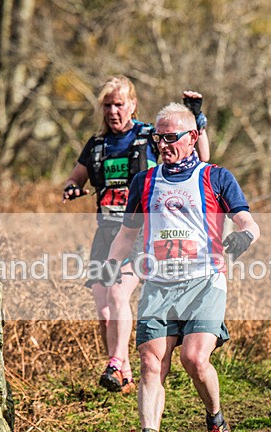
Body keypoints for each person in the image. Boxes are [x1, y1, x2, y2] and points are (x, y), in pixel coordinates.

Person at [96, 102, 259, 432]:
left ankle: (217, 424)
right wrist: (109, 265)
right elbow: (127, 233)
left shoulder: (216, 177)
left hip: (205, 281)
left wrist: (245, 237)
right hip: (159, 284)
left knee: (194, 358)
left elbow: (248, 222)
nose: (164, 145)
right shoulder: (145, 181)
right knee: (151, 361)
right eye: (159, 138)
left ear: (193, 138)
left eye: (172, 138)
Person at [62, 75, 210, 395]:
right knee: (104, 312)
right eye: (107, 105)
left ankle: (116, 362)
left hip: (139, 232)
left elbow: (199, 153)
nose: (113, 111)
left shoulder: (148, 136)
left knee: (118, 294)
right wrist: (73, 188)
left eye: (119, 104)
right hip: (105, 233)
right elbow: (76, 176)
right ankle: (123, 374)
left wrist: (196, 118)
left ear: (133, 105)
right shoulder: (96, 145)